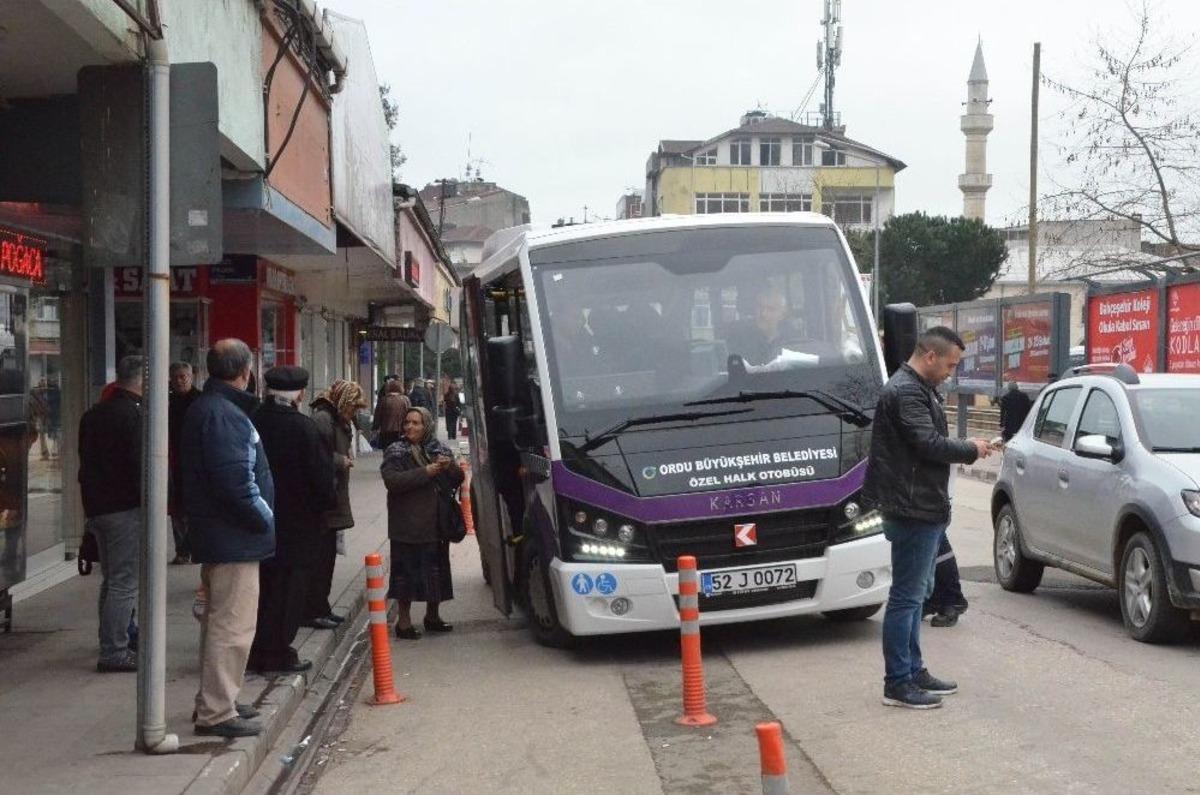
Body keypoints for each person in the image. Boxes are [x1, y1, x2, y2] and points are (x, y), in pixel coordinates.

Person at [863, 326, 993, 710]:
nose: (951, 373)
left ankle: (913, 670)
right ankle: (897, 682)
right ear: (930, 356)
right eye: (950, 365)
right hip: (912, 508)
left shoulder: (918, 388)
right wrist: (971, 448)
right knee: (906, 597)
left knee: (916, 595)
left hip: (921, 504)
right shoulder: (906, 391)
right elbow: (928, 444)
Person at [183, 339, 275, 738]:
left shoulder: (211, 408)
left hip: (221, 534)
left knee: (220, 621)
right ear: (246, 373)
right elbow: (236, 483)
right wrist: (265, 518)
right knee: (232, 625)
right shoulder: (224, 414)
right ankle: (217, 711)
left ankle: (217, 699)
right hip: (233, 537)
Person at [247, 367, 337, 674]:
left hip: (259, 518)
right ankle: (277, 651)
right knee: (288, 592)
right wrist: (325, 508)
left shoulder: (254, 420)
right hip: (297, 525)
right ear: (299, 394)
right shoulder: (303, 428)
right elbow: (321, 478)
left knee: (261, 588)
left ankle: (255, 648)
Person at [79, 356, 144, 673]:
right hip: (124, 508)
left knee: (112, 579)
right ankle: (114, 650)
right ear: (143, 380)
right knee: (124, 582)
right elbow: (139, 465)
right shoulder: (134, 415)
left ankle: (111, 639)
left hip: (98, 508)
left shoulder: (93, 414)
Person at [382, 407, 464, 639]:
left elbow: (457, 479)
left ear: (426, 426)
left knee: (435, 572)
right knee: (406, 576)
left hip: (435, 522)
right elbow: (392, 481)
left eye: (416, 423)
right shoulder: (396, 451)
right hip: (407, 524)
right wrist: (426, 472)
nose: (410, 427)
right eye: (407, 422)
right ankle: (404, 623)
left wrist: (450, 467)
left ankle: (433, 617)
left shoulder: (439, 449)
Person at [307, 379, 368, 629]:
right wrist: (341, 461)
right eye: (353, 407)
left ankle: (322, 607)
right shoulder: (323, 419)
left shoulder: (338, 419)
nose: (354, 412)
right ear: (342, 402)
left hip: (333, 496)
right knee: (320, 560)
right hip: (324, 499)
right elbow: (315, 454)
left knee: (328, 558)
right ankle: (314, 609)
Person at [168, 362, 202, 564]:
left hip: (195, 462)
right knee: (178, 509)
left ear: (191, 377)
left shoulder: (200, 401)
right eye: (175, 377)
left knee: (196, 509)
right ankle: (182, 550)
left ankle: (195, 548)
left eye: (183, 376)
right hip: (174, 462)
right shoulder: (166, 401)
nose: (180, 381)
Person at [726, 292, 790, 366]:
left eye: (771, 309)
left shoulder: (793, 340)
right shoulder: (738, 340)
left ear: (782, 315)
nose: (763, 314)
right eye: (760, 307)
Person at [373, 379, 410, 449]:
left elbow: (377, 415)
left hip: (386, 431)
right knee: (401, 450)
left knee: (387, 450)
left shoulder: (384, 400)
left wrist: (375, 427)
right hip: (401, 430)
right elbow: (409, 414)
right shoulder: (405, 400)